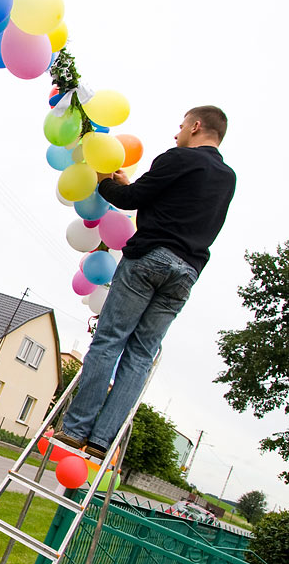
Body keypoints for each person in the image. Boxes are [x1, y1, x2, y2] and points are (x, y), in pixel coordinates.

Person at [55, 106, 235, 459]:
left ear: (196, 126)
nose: (177, 133)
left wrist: (103, 178)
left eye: (182, 126)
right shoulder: (227, 178)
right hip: (186, 272)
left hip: (150, 259)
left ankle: (76, 429)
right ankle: (102, 440)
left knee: (109, 341)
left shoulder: (178, 158)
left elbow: (130, 200)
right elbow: (178, 206)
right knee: (140, 356)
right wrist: (133, 187)